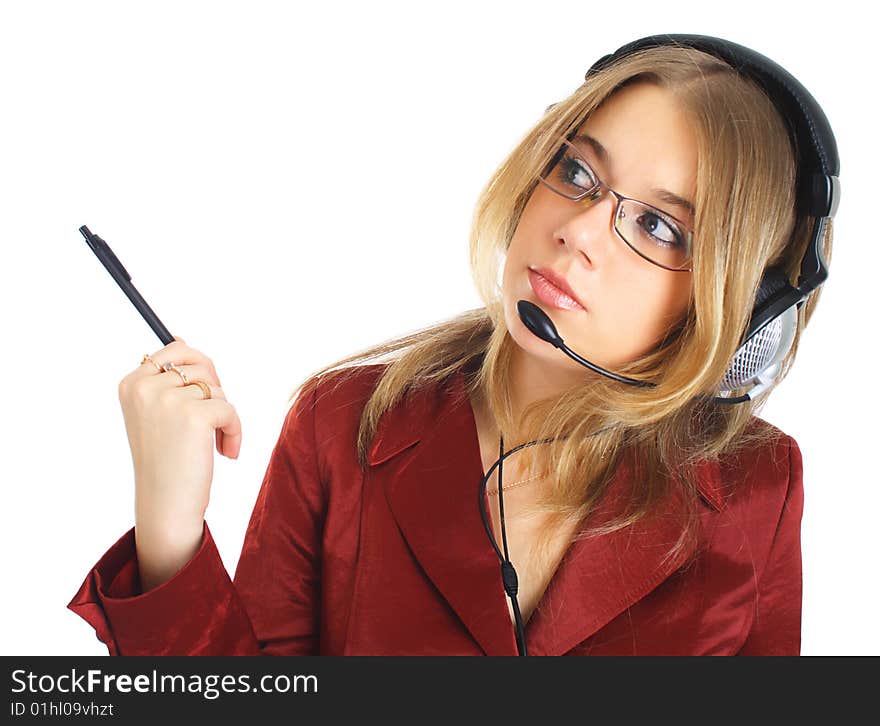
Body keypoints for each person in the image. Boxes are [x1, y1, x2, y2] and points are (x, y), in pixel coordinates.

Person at [68, 37, 834, 656]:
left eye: (659, 226)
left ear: (737, 308)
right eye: (575, 171)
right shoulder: (345, 423)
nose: (577, 229)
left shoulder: (759, 487)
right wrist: (169, 530)